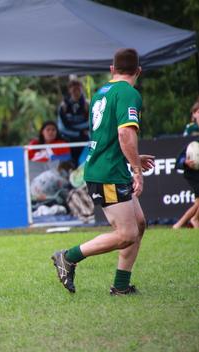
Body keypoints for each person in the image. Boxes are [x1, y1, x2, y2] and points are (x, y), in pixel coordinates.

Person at [51, 48, 155, 296]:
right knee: (126, 233)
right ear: (138, 71)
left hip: (107, 167)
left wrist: (133, 158)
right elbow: (124, 134)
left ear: (112, 70)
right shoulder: (129, 93)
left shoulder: (100, 93)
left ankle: (121, 286)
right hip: (108, 173)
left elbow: (107, 137)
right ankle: (68, 257)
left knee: (138, 224)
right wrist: (137, 170)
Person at [57, 79, 90, 166]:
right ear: (69, 90)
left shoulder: (87, 104)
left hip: (85, 140)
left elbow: (92, 123)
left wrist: (83, 132)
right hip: (68, 140)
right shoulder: (63, 106)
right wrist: (78, 132)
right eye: (74, 90)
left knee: (84, 162)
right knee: (70, 164)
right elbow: (61, 127)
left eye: (78, 89)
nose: (76, 92)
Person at [172, 140, 199, 229]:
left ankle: (178, 225)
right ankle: (194, 219)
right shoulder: (194, 144)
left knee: (197, 203)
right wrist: (185, 162)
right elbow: (179, 162)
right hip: (193, 174)